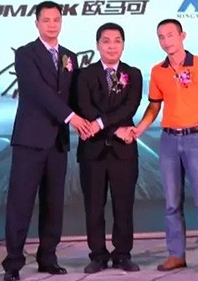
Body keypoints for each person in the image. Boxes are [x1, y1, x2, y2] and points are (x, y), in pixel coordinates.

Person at [1, 1, 92, 281]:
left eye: (56, 20)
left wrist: (94, 120)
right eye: (46, 20)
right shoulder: (25, 54)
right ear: (37, 23)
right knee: (21, 203)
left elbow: (73, 95)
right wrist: (72, 118)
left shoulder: (69, 56)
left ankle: (48, 258)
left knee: (53, 204)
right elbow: (38, 91)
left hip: (57, 142)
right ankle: (13, 263)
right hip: (30, 140)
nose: (52, 25)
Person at [132, 19, 198, 274]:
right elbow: (154, 106)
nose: (166, 41)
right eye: (161, 37)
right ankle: (176, 254)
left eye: (170, 35)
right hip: (169, 141)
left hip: (196, 139)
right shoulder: (158, 71)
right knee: (172, 202)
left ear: (183, 36)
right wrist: (140, 128)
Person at [75, 23, 143, 274]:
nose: (112, 46)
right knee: (93, 206)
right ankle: (98, 256)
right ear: (97, 45)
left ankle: (123, 254)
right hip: (92, 151)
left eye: (117, 41)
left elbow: (129, 107)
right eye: (106, 41)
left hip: (123, 153)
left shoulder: (133, 74)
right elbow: (85, 107)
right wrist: (114, 130)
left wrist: (102, 124)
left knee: (123, 205)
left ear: (123, 45)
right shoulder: (84, 75)